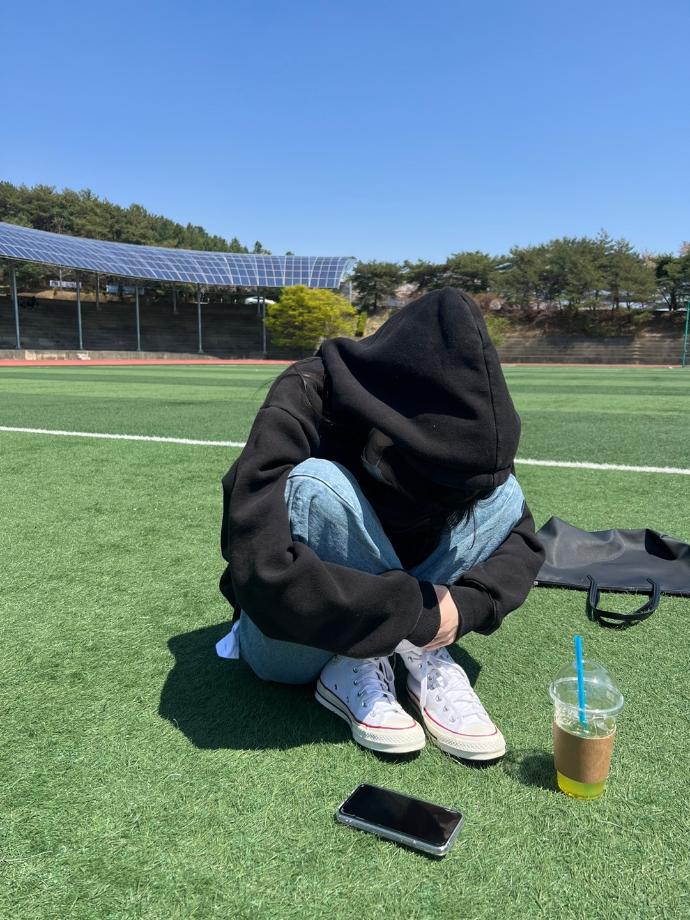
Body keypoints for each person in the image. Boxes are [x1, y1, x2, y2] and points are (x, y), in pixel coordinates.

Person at [219, 287, 544, 761]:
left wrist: (467, 605)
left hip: (406, 594)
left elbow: (523, 538)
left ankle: (411, 647)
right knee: (318, 484)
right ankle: (364, 654)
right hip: (294, 629)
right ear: (380, 443)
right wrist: (412, 613)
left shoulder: (472, 433)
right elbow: (259, 562)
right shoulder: (307, 392)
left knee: (505, 494)